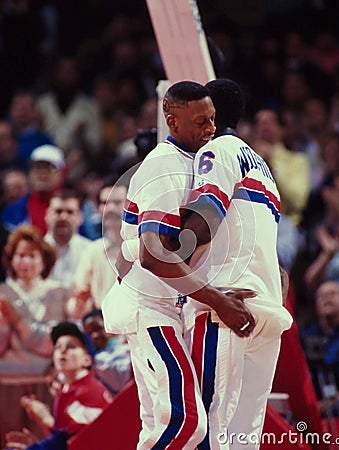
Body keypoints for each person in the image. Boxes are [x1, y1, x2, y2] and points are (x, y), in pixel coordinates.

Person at [102, 80, 256, 450]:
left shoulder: (194, 161)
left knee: (159, 424)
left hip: (169, 305)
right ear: (172, 122)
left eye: (213, 120)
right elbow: (153, 255)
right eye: (200, 121)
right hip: (151, 307)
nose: (210, 129)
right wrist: (217, 300)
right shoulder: (164, 166)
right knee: (187, 422)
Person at [183, 79, 293, 449]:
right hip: (267, 307)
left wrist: (163, 257)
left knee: (212, 429)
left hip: (228, 305)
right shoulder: (264, 169)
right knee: (245, 436)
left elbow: (204, 219)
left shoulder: (216, 151)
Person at [0, 226, 76, 441]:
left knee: (44, 441)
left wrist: (15, 319)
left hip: (47, 382)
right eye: (20, 255)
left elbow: (47, 344)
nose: (26, 262)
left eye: (32, 256)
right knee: (10, 442)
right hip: (7, 384)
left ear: (44, 260)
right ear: (11, 260)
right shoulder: (3, 292)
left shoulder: (58, 292)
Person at [4, 321, 113, 450]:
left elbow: (81, 442)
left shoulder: (89, 390)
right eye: (57, 347)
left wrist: (38, 447)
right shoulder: (68, 390)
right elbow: (66, 437)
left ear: (86, 360)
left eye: (71, 346)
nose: (62, 350)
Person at [300, 281, 339, 422]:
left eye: (332, 294)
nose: (327, 299)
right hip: (313, 404)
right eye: (322, 296)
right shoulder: (305, 336)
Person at [74, 177, 127, 308]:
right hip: (100, 320)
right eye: (104, 203)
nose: (110, 208)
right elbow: (80, 295)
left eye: (117, 202)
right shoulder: (92, 250)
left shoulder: (142, 247)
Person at [1, 144, 65, 235]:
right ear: (29, 173)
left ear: (61, 173)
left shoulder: (72, 209)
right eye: (37, 167)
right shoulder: (13, 211)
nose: (43, 173)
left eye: (50, 167)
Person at [44, 189, 90, 291]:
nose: (63, 217)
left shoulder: (90, 251)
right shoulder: (35, 249)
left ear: (80, 218)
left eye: (70, 212)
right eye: (58, 211)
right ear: (46, 215)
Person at [82, 309, 132, 396]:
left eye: (98, 328)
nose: (95, 336)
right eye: (90, 333)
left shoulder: (127, 339)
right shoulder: (100, 362)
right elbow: (123, 380)